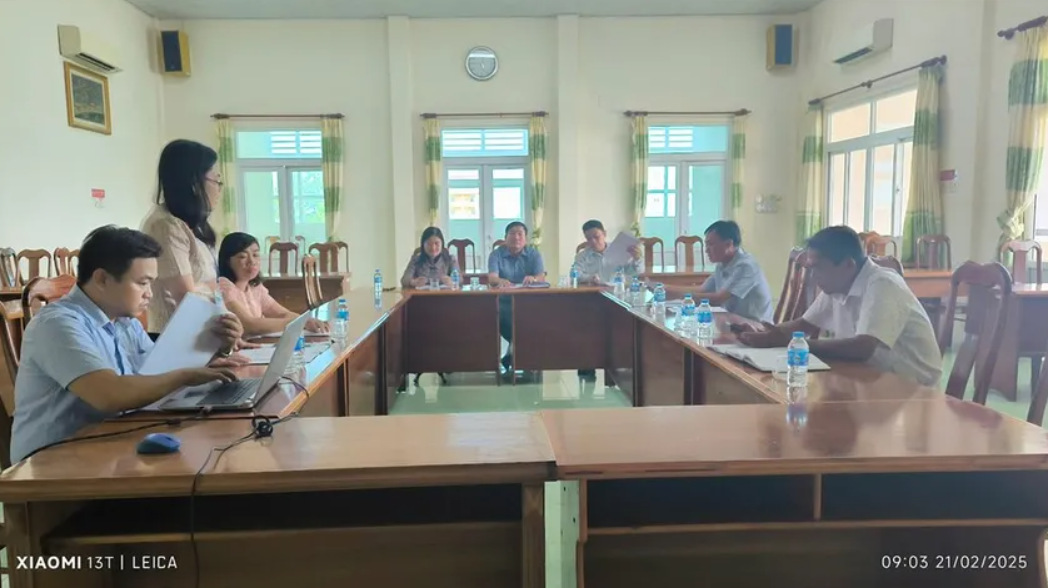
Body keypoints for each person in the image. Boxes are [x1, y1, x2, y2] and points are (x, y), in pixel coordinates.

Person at [10, 226, 247, 463]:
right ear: (102, 279)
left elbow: (157, 372)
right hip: (51, 463)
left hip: (108, 445)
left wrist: (216, 348)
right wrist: (186, 375)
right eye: (142, 283)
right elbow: (110, 395)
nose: (149, 294)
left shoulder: (124, 320)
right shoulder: (57, 324)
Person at [736, 225, 942, 386]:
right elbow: (803, 325)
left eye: (818, 268)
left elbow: (863, 348)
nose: (813, 277)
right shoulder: (838, 285)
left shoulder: (883, 284)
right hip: (865, 377)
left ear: (848, 264)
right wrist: (761, 332)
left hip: (910, 391)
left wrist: (792, 344)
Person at [141, 139, 222, 334]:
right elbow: (187, 298)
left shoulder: (192, 225)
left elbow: (211, 290)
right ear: (194, 183)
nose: (219, 189)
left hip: (203, 333)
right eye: (216, 181)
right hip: (175, 338)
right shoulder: (165, 226)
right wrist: (210, 289)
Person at [217, 232, 329, 337]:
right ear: (227, 261)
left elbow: (283, 314)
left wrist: (307, 320)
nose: (252, 261)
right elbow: (250, 326)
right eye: (242, 256)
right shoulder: (224, 286)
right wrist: (300, 323)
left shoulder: (255, 287)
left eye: (255, 255)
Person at [679, 220, 773, 322]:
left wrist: (680, 296)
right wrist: (670, 291)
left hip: (756, 327)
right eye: (706, 245)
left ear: (728, 244)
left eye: (710, 244)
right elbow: (702, 290)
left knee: (700, 325)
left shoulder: (746, 266)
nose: (706, 250)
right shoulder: (722, 264)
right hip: (736, 323)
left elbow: (718, 299)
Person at [487, 222, 546, 372]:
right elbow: (492, 278)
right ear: (505, 237)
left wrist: (533, 278)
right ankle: (515, 352)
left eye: (520, 234)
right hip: (503, 301)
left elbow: (541, 277)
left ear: (526, 238)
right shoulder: (496, 254)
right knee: (500, 316)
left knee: (532, 318)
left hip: (527, 301)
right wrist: (500, 280)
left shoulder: (534, 254)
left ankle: (512, 353)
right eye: (512, 233)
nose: (516, 237)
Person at [573, 219, 642, 285]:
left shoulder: (618, 250)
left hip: (616, 290)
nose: (593, 241)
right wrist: (590, 278)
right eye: (589, 238)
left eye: (596, 237)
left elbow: (634, 273)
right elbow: (574, 275)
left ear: (604, 234)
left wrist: (637, 259)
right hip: (592, 291)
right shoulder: (582, 256)